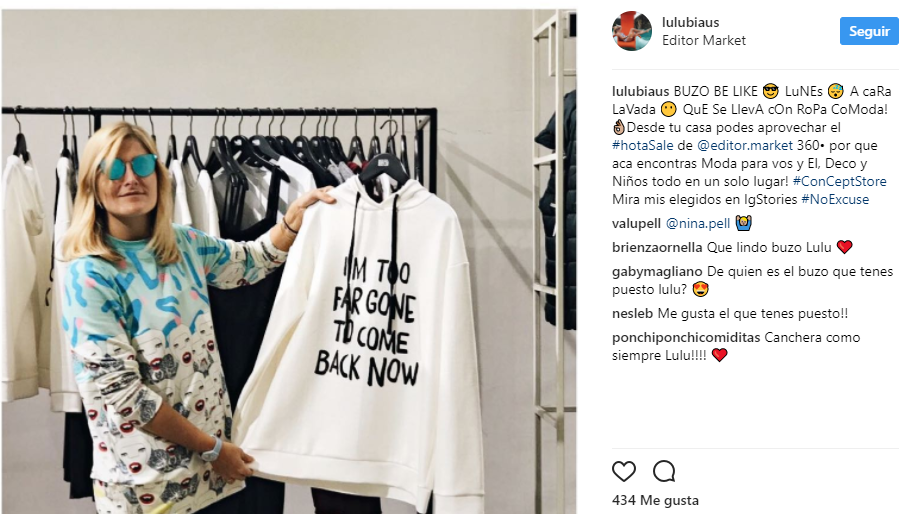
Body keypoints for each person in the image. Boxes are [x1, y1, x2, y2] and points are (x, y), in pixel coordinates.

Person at [61, 121, 335, 513]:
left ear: (158, 176)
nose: (131, 179)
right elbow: (126, 397)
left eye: (142, 165)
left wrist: (292, 220)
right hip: (147, 490)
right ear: (93, 186)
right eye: (114, 169)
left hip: (212, 477)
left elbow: (252, 261)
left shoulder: (183, 243)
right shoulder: (89, 275)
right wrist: (213, 449)